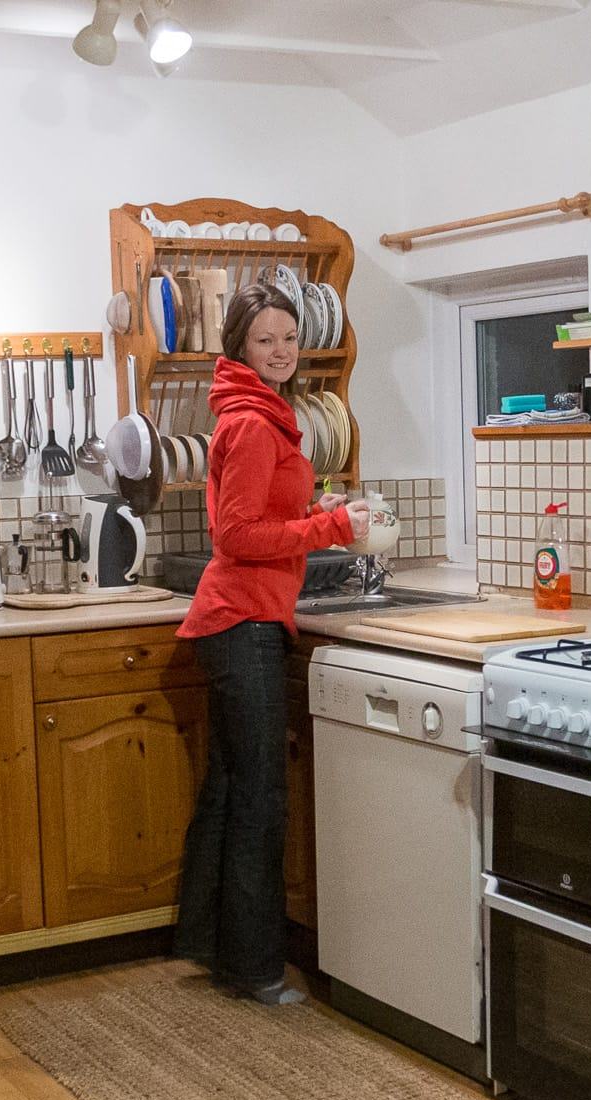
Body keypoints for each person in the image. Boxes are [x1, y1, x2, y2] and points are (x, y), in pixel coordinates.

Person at [173, 283, 370, 1005]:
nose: (282, 349)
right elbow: (237, 536)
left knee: (231, 792)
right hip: (244, 623)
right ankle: (256, 969)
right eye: (266, 339)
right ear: (240, 347)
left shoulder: (257, 411)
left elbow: (258, 512)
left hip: (238, 621)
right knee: (258, 800)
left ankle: (219, 951)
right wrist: (334, 527)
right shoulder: (255, 422)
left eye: (290, 337)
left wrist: (312, 507)